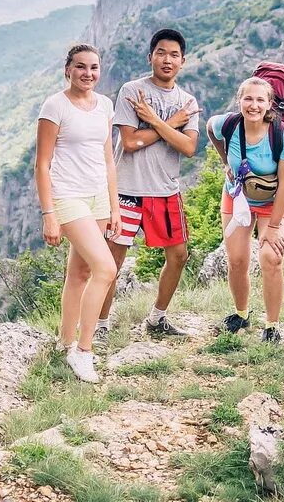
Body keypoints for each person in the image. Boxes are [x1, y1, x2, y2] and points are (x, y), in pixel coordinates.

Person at [96, 29, 200, 339]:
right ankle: (100, 326)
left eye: (173, 55)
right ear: (150, 56)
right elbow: (129, 142)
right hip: (127, 188)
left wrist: (153, 121)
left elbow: (189, 147)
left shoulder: (188, 101)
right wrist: (171, 124)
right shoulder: (132, 91)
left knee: (179, 255)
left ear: (182, 61)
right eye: (161, 53)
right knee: (112, 260)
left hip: (165, 189)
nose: (167, 59)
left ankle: (157, 319)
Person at [35, 44, 121, 384]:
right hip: (68, 197)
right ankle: (83, 351)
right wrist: (49, 214)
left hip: (98, 196)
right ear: (67, 69)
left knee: (81, 272)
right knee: (106, 268)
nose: (88, 73)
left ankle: (65, 340)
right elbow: (42, 164)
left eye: (94, 67)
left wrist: (114, 206)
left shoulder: (105, 105)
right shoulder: (54, 106)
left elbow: (108, 159)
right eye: (81, 67)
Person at [206, 77, 284, 344]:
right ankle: (241, 314)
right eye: (248, 99)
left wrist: (271, 229)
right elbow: (211, 129)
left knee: (271, 257)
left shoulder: (282, 135)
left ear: (270, 104)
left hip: (274, 202)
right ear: (240, 100)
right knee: (236, 260)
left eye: (260, 100)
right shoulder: (229, 124)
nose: (254, 105)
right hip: (237, 197)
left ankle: (272, 326)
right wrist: (225, 161)